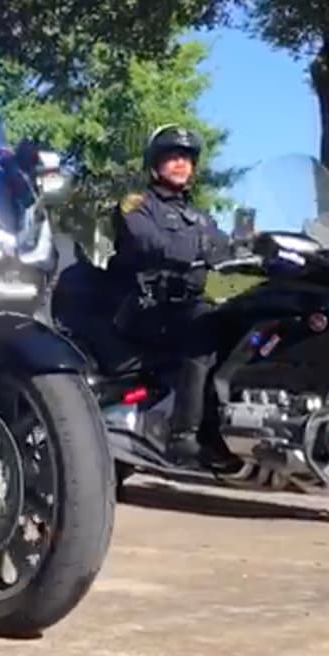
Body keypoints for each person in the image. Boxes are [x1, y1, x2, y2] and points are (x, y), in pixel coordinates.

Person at [107, 124, 231, 464]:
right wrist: (202, 250)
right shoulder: (137, 205)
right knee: (203, 326)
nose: (181, 164)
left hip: (188, 301)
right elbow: (150, 242)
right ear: (155, 164)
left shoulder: (200, 217)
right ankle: (184, 434)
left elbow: (227, 251)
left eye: (186, 158)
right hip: (147, 308)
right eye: (172, 157)